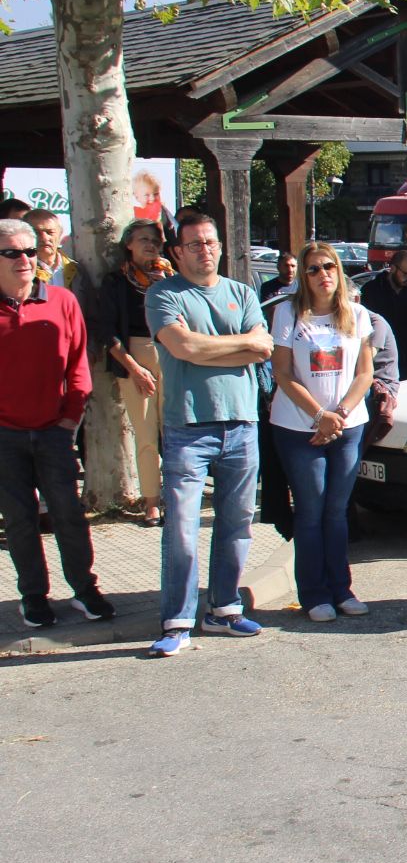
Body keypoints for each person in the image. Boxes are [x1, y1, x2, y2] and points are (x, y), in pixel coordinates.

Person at [144, 209, 273, 655]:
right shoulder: (164, 294)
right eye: (196, 244)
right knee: (181, 528)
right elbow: (183, 347)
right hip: (188, 426)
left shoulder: (242, 291)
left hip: (242, 423)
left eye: (211, 242)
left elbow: (264, 347)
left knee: (237, 524)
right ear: (177, 251)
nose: (206, 250)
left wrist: (206, 351)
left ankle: (224, 609)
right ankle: (176, 620)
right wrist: (236, 347)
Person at [0, 217, 112, 628]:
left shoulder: (63, 302)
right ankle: (33, 597)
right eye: (12, 252)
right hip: (5, 436)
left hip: (54, 432)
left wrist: (70, 418)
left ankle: (85, 590)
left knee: (69, 513)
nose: (24, 260)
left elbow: (79, 365)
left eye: (29, 251)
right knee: (19, 520)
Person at [268, 242, 375, 622]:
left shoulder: (358, 315)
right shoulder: (287, 313)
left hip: (347, 425)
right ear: (303, 276)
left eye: (328, 266)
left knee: (337, 511)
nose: (322, 274)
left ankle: (341, 589)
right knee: (310, 510)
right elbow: (282, 373)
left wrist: (340, 414)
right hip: (300, 428)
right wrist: (320, 416)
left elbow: (365, 373)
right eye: (313, 269)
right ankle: (314, 594)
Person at [99, 219, 171, 526]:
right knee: (145, 436)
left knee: (176, 433)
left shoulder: (170, 278)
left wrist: (166, 281)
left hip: (172, 357)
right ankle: (151, 501)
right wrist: (135, 369)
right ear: (128, 244)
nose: (150, 245)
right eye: (143, 239)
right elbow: (107, 332)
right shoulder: (115, 281)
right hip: (134, 362)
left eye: (155, 240)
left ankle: (178, 495)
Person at [361, 248, 407, 379]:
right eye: (406, 274)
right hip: (381, 358)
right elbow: (363, 324)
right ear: (393, 268)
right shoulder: (372, 289)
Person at [22, 208, 77, 290]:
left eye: (50, 232)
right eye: (36, 232)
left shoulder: (77, 271)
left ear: (60, 234)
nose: (44, 238)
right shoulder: (19, 270)